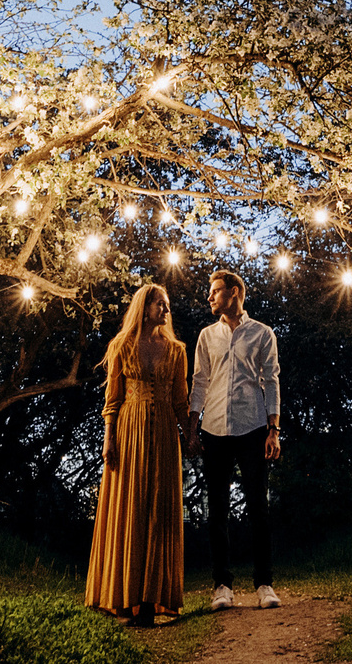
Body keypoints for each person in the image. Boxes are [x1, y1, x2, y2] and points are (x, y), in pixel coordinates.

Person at [85, 281, 189, 627]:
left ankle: (149, 602)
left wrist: (190, 435)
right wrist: (109, 439)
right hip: (129, 431)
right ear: (144, 308)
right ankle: (124, 597)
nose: (166, 310)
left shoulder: (177, 351)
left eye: (167, 304)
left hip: (164, 434)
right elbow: (112, 399)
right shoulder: (122, 345)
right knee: (130, 507)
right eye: (161, 304)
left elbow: (181, 400)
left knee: (159, 509)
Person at [187, 267, 282, 611]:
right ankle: (222, 586)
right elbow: (199, 381)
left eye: (215, 291)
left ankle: (264, 584)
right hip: (214, 428)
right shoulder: (207, 336)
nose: (209, 297)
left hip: (253, 426)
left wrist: (274, 430)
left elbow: (271, 380)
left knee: (258, 507)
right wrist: (192, 427)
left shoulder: (262, 333)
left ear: (234, 292)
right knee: (217, 510)